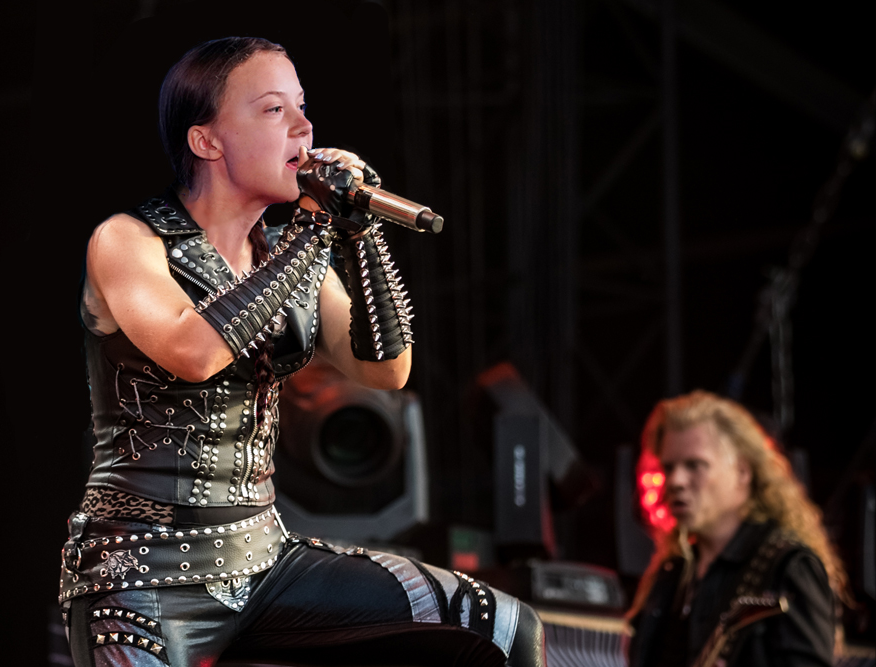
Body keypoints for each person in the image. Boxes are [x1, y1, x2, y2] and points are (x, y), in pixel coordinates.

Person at [59, 36, 545, 667]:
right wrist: (315, 227)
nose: (304, 127)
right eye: (273, 109)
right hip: (142, 571)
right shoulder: (128, 241)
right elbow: (194, 351)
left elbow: (385, 370)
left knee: (502, 627)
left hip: (264, 559)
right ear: (206, 141)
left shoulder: (289, 253)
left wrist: (358, 233)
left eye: (302, 106)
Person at [627, 390, 847, 667]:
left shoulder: (787, 567)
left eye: (695, 465)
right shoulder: (673, 572)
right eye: (669, 468)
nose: (676, 481)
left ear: (742, 472)